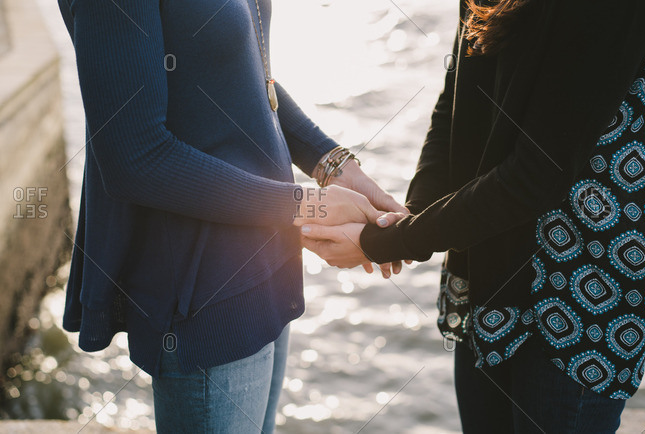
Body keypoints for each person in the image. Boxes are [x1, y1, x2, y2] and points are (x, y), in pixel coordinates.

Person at [56, 0, 405, 432]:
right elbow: (134, 159)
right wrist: (306, 204)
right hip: (204, 291)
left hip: (266, 263)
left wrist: (337, 166)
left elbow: (245, 76)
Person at [301, 0, 645, 432]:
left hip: (581, 290)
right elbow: (460, 101)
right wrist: (407, 216)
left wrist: (389, 240)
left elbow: (537, 173)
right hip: (488, 272)